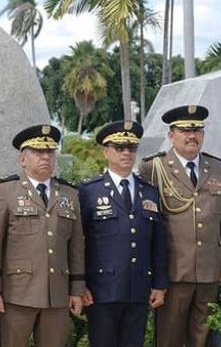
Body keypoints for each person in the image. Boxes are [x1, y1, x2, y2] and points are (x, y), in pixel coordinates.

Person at [138, 105, 221, 347]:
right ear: (171, 135)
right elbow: (146, 225)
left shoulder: (217, 168)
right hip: (173, 273)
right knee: (169, 337)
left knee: (203, 338)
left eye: (198, 130)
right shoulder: (153, 168)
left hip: (209, 272)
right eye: (185, 130)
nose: (192, 135)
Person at [0, 124, 85, 347]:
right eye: (38, 152)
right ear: (22, 159)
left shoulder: (69, 194)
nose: (45, 157)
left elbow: (76, 248)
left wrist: (77, 290)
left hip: (56, 294)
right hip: (17, 294)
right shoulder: (6, 191)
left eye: (49, 152)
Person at [78, 120, 168, 347]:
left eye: (132, 148)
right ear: (106, 151)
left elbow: (158, 242)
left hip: (138, 289)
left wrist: (159, 284)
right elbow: (78, 244)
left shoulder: (149, 191)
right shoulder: (89, 191)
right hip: (101, 290)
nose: (127, 153)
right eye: (120, 148)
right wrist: (79, 285)